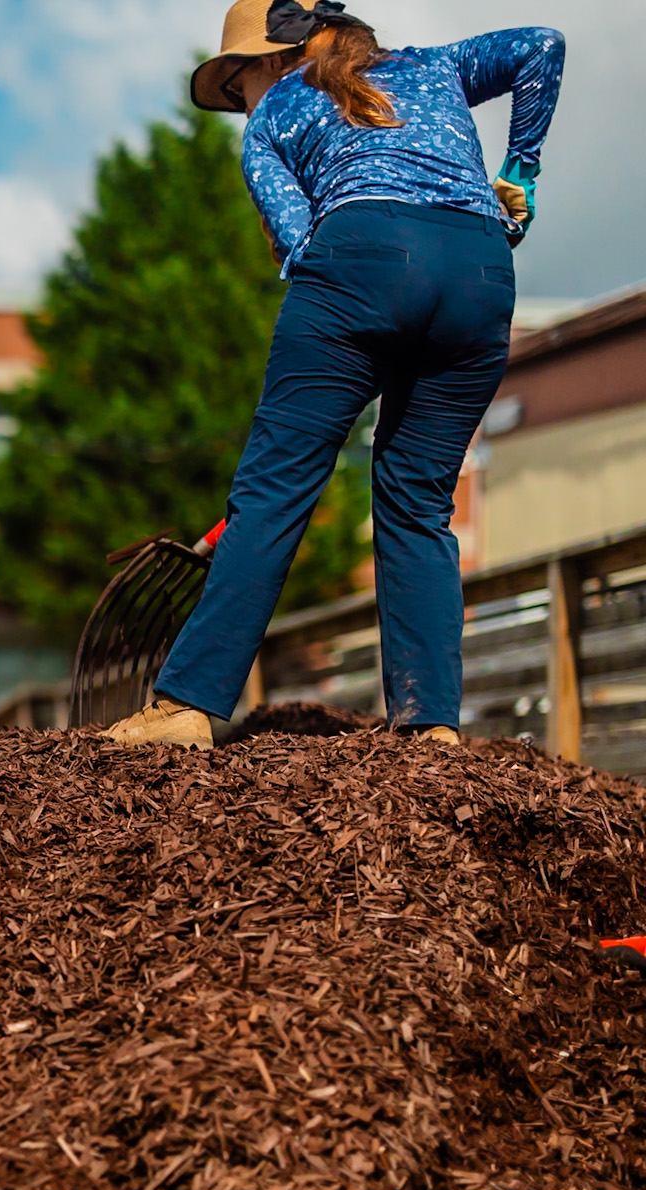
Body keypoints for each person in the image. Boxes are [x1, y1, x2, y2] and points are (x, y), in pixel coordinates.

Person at [107, 1, 564, 750]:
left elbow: (303, 241)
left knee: (275, 488)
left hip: (361, 256)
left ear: (270, 62)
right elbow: (541, 47)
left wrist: (365, 308)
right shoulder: (431, 66)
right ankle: (431, 726)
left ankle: (185, 705)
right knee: (418, 503)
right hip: (483, 272)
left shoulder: (273, 117)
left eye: (235, 85)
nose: (239, 106)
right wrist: (519, 171)